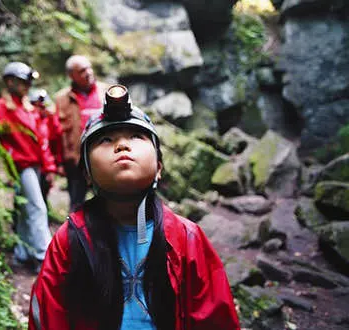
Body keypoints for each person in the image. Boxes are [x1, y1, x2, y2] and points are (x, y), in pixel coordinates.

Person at [28, 85, 240, 329]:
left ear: (159, 167)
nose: (122, 146)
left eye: (136, 137)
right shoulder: (69, 240)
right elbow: (47, 318)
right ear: (87, 174)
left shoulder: (186, 238)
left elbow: (215, 318)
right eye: (106, 140)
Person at [0, 62, 54, 273]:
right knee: (37, 207)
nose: (27, 85)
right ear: (10, 81)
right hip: (20, 165)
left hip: (33, 165)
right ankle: (44, 256)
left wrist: (48, 166)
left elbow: (40, 138)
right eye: (23, 81)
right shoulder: (2, 107)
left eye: (29, 82)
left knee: (27, 209)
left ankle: (23, 253)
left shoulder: (28, 108)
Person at [54, 55, 109, 211]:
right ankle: (76, 234)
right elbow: (56, 132)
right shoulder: (61, 99)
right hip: (75, 161)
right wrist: (58, 162)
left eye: (89, 67)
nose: (89, 72)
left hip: (104, 157)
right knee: (76, 204)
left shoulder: (107, 91)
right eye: (82, 70)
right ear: (72, 75)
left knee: (109, 202)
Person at [29, 88, 63, 202]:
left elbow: (55, 140)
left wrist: (52, 167)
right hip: (30, 164)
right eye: (37, 106)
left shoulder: (50, 121)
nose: (40, 109)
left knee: (42, 193)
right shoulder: (29, 120)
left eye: (43, 106)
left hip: (45, 165)